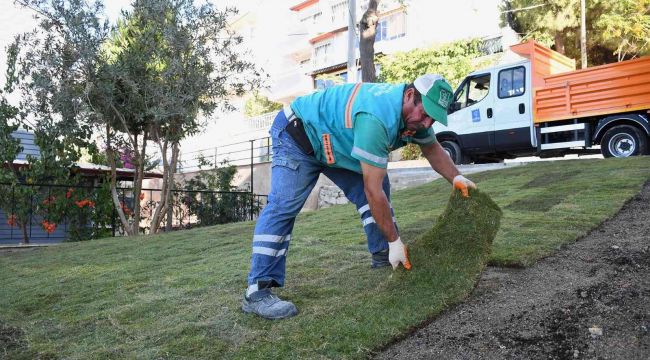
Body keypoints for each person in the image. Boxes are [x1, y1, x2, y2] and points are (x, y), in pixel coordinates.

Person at [241, 74, 477, 320]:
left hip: (333, 142)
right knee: (283, 207)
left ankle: (382, 254)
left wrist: (457, 178)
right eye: (425, 114)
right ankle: (257, 292)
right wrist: (396, 241)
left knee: (378, 184)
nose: (427, 123)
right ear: (409, 96)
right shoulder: (376, 117)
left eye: (433, 118)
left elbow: (433, 148)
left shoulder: (414, 118)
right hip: (298, 134)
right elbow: (372, 190)